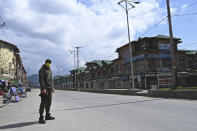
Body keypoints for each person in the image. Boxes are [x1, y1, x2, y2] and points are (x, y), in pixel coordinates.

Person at [39, 59, 55, 124]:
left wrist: (53, 87)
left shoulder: (50, 70)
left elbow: (51, 80)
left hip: (50, 89)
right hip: (45, 89)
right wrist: (43, 88)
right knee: (43, 103)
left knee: (49, 103)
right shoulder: (42, 70)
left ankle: (47, 115)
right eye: (48, 63)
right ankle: (40, 118)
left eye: (50, 63)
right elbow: (41, 80)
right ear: (45, 63)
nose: (49, 64)